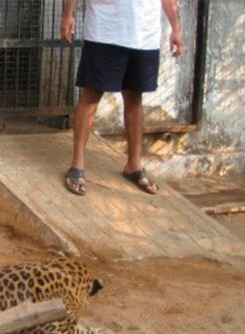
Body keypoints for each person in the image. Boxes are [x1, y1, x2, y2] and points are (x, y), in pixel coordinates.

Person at [61, 0, 184, 195]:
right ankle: (77, 165)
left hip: (145, 35)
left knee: (135, 97)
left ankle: (133, 165)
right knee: (91, 96)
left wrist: (176, 28)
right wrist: (69, 13)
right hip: (105, 29)